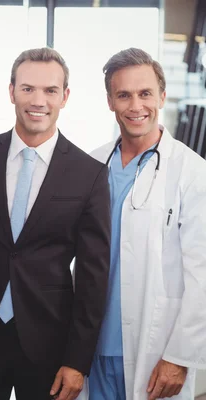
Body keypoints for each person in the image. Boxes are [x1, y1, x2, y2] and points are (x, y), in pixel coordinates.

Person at [0, 47, 111, 400]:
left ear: (65, 96)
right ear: (11, 91)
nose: (38, 100)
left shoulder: (88, 174)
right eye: (27, 89)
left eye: (50, 90)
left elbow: (93, 275)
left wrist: (78, 360)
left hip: (50, 342)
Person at [84, 48, 206, 400]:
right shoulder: (93, 164)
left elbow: (202, 273)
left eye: (145, 93)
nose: (136, 105)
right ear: (110, 101)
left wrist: (180, 356)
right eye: (124, 95)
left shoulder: (191, 171)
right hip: (92, 347)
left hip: (155, 347)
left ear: (162, 96)